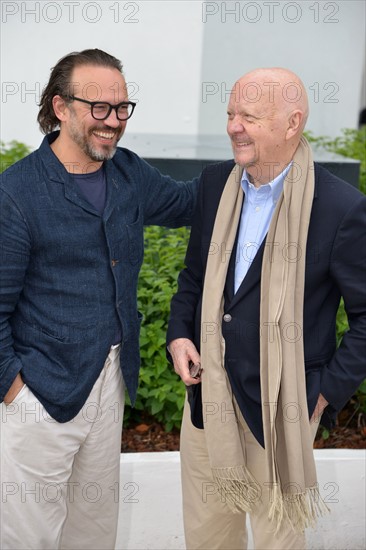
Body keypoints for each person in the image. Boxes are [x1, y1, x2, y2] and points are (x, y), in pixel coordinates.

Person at [0, 49, 197, 550]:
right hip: (39, 394)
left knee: (93, 532)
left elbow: (188, 202)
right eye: (99, 108)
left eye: (122, 108)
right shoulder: (16, 193)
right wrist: (15, 392)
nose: (113, 122)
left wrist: (250, 158)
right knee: (30, 538)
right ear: (60, 107)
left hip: (109, 381)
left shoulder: (129, 174)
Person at [167, 67, 366, 550]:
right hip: (206, 407)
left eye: (249, 116)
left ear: (292, 123)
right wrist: (178, 334)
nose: (234, 125)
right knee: (208, 538)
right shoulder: (216, 185)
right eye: (231, 113)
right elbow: (193, 277)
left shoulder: (341, 208)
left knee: (279, 542)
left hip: (283, 412)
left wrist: (322, 394)